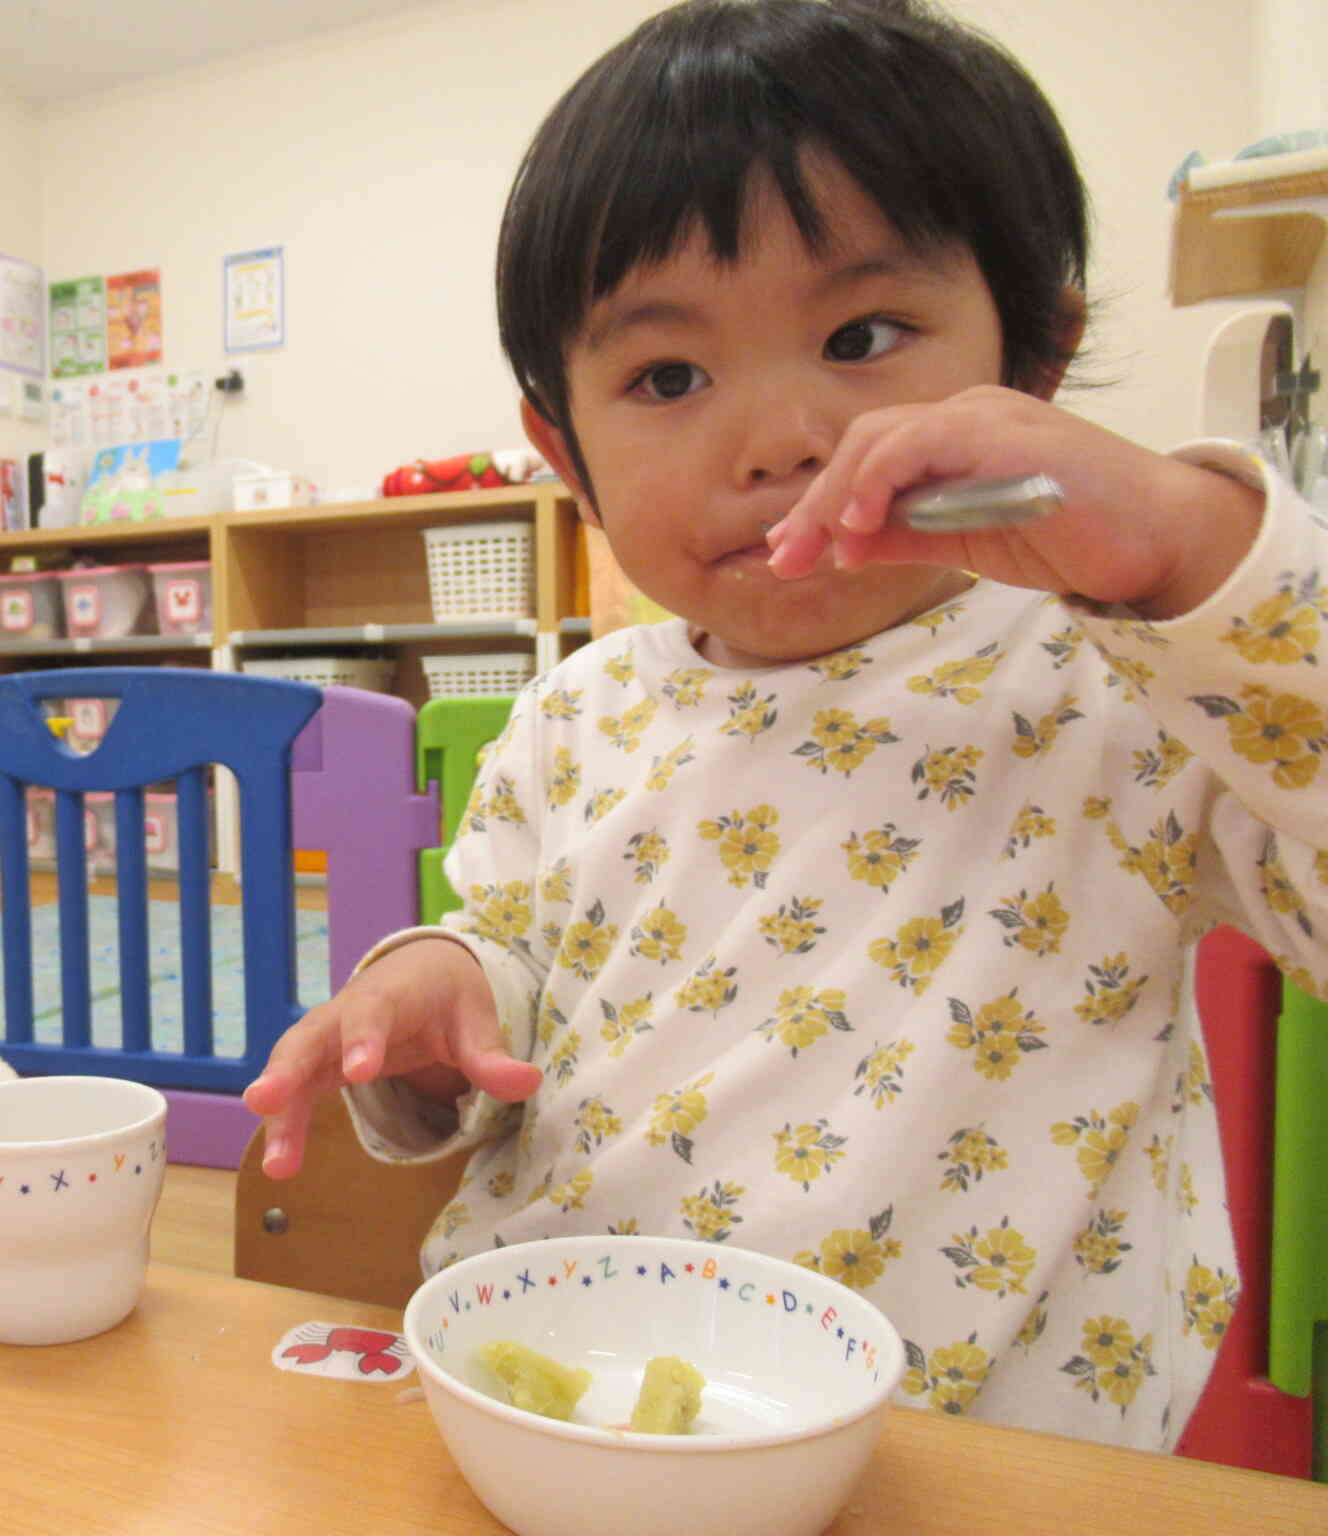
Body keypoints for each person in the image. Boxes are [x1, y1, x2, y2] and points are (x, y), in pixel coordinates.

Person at [244, 0, 1328, 1450]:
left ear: (1037, 364)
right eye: (669, 378)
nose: (779, 438)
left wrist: (1191, 547)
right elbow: (512, 949)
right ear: (564, 451)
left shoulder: (1119, 679)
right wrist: (444, 998)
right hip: (566, 1394)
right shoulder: (578, 713)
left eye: (863, 334)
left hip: (973, 1442)